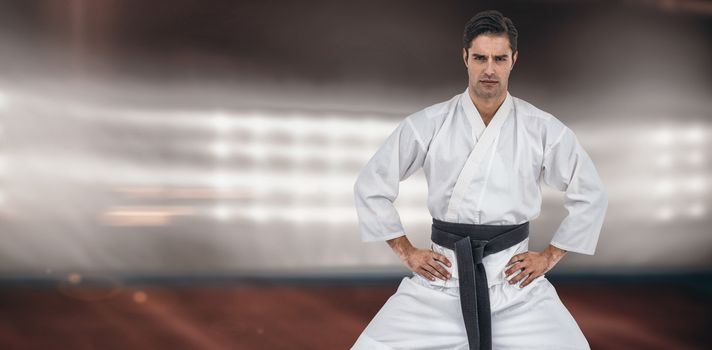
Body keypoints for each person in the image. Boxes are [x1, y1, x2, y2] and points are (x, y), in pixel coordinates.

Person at [351, 10, 608, 350]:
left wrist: (548, 257)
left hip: (515, 284)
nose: (489, 69)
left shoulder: (542, 129)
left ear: (513, 60)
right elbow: (370, 186)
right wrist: (408, 252)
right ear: (465, 58)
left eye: (499, 58)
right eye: (480, 58)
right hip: (442, 282)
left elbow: (591, 194)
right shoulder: (429, 123)